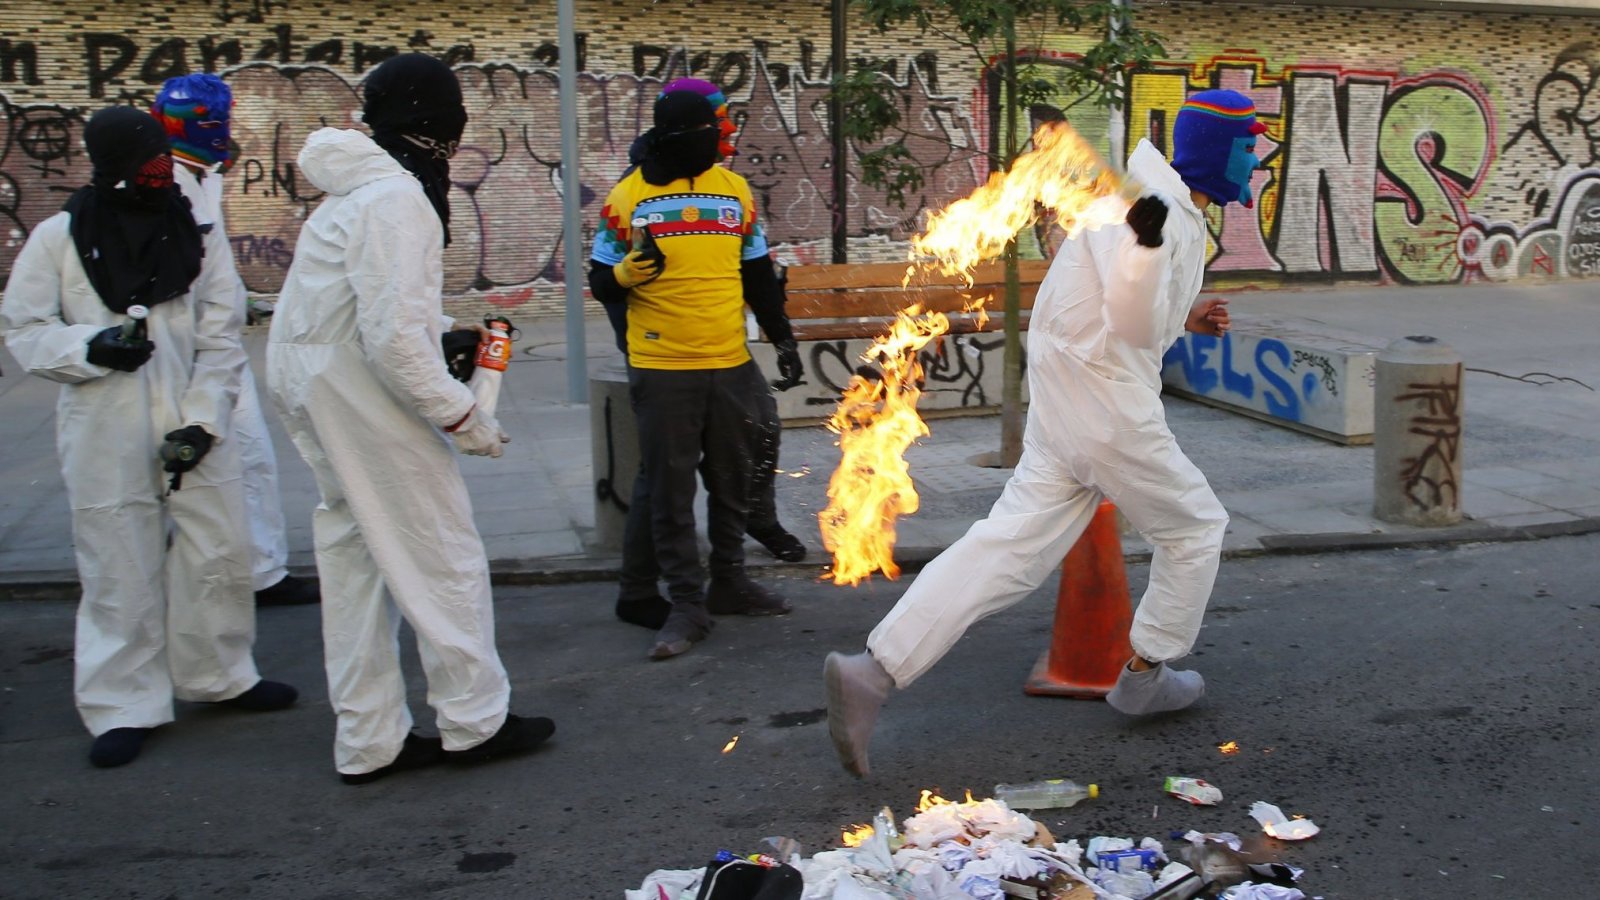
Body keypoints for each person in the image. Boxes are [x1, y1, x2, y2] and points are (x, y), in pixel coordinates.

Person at [823, 89, 1262, 776]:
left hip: (1062, 397)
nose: (1255, 158)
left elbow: (1110, 307)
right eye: (1247, 145)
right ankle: (1145, 674)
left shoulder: (1141, 196)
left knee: (1008, 545)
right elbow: (1133, 321)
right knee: (1195, 526)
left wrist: (1186, 313)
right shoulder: (1161, 215)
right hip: (1109, 403)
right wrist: (1150, 260)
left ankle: (873, 671)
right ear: (1217, 151)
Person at [267, 53, 552, 785]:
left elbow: (376, 308)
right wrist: (462, 416)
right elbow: (391, 338)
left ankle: (369, 740)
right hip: (351, 385)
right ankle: (473, 721)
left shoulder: (359, 190)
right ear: (436, 125)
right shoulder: (396, 197)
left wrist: (444, 338)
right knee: (438, 549)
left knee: (357, 557)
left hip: (313, 372)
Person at [1, 106, 299, 769]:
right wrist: (92, 347)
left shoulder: (194, 231)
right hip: (105, 419)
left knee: (215, 548)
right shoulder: (58, 239)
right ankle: (122, 702)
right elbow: (23, 329)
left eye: (163, 160)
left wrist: (202, 419)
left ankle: (220, 673)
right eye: (147, 163)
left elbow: (220, 329)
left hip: (191, 412)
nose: (161, 173)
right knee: (117, 557)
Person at [589, 86, 805, 660]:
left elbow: (758, 274)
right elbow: (599, 280)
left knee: (734, 482)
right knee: (671, 492)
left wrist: (782, 338)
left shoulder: (735, 193)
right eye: (714, 129)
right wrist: (628, 275)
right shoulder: (627, 199)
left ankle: (728, 581)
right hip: (663, 367)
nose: (724, 138)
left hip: (730, 361)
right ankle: (685, 604)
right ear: (683, 134)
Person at [152, 73, 319, 609]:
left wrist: (235, 300)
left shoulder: (201, 175)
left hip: (214, 343)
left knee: (249, 457)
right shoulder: (167, 183)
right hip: (187, 349)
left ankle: (259, 568)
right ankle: (237, 573)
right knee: (223, 458)